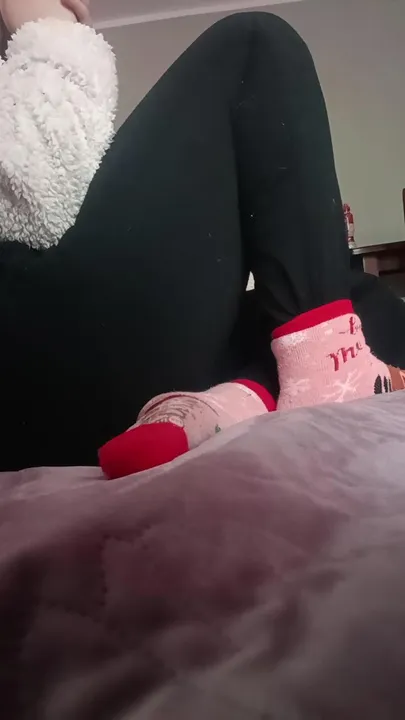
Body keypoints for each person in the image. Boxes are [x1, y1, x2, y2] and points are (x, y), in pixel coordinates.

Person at [0, 1, 404, 476]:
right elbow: (45, 182)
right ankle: (322, 381)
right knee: (254, 47)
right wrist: (44, 22)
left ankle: (225, 404)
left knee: (352, 299)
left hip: (52, 381)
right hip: (38, 372)